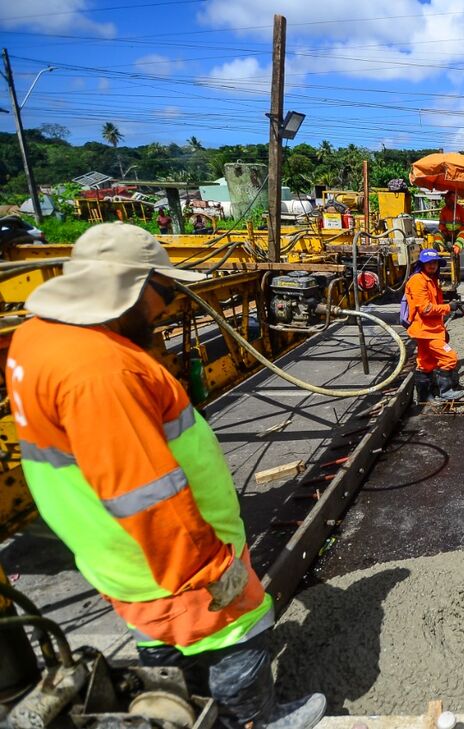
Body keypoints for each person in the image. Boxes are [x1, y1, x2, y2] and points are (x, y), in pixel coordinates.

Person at [5, 223, 325, 729]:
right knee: (234, 630)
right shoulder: (103, 372)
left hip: (119, 555)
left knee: (164, 638)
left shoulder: (37, 338)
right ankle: (255, 721)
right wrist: (209, 570)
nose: (170, 305)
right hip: (173, 556)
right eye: (167, 290)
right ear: (131, 288)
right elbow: (146, 493)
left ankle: (184, 712)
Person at [405, 248, 464, 402]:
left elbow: (432, 306)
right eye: (428, 263)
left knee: (426, 363)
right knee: (450, 357)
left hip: (429, 330)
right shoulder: (418, 280)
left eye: (434, 262)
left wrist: (442, 325)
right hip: (426, 330)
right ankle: (445, 391)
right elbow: (425, 309)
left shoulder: (430, 279)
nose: (432, 265)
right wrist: (448, 307)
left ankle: (425, 396)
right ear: (422, 264)